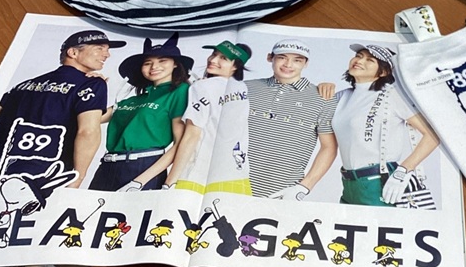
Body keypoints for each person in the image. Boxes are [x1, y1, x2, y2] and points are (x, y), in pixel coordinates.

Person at [0, 29, 127, 189]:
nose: (107, 55)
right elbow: (88, 131)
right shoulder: (91, 84)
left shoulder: (23, 86)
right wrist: (77, 178)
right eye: (99, 48)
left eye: (107, 50)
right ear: (73, 52)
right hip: (45, 180)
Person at [331, 43, 439, 207]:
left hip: (380, 182)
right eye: (359, 56)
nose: (360, 61)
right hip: (349, 185)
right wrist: (322, 87)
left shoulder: (392, 95)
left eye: (370, 60)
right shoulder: (342, 97)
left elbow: (432, 134)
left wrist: (404, 170)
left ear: (383, 72)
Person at [88, 34, 192, 192]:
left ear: (175, 64)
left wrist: (140, 181)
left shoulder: (180, 92)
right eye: (148, 63)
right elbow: (91, 119)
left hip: (144, 167)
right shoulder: (132, 101)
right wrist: (92, 87)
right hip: (107, 167)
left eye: (162, 61)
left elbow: (180, 144)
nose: (154, 67)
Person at [246, 39, 338, 200]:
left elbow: (329, 147)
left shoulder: (323, 97)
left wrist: (304, 187)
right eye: (282, 57)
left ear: (305, 64)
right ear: (270, 58)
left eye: (297, 60)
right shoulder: (246, 87)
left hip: (281, 192)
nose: (288, 64)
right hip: (230, 183)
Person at [163, 40, 253, 196]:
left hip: (199, 174)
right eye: (214, 54)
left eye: (223, 58)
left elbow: (192, 135)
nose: (213, 60)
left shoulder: (202, 87)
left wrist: (170, 182)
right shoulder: (242, 88)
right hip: (237, 174)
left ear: (235, 66)